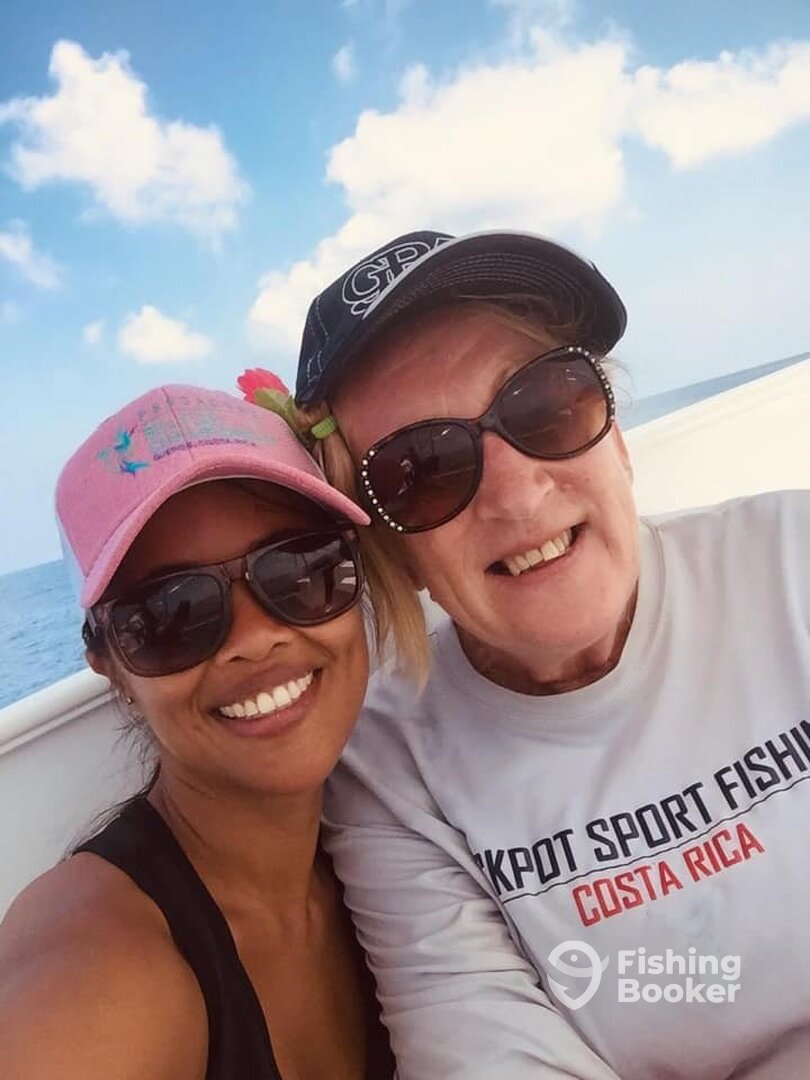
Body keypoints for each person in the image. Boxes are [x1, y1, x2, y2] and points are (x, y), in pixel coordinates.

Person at [289, 230, 810, 1079]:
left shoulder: (794, 561)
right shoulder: (392, 767)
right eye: (422, 468)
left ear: (616, 434)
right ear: (391, 550)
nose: (517, 491)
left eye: (546, 404)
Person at [0, 384, 395, 1079]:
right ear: (113, 668)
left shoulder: (394, 838)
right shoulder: (100, 978)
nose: (255, 638)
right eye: (169, 612)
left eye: (299, 567)